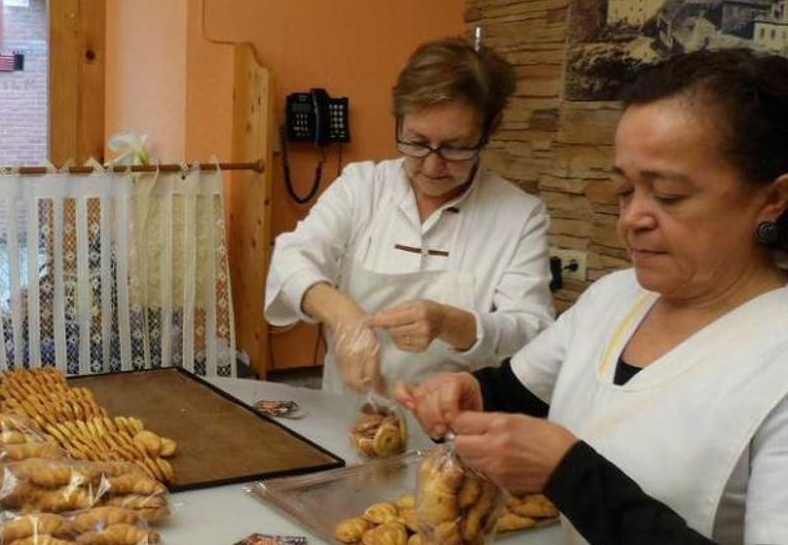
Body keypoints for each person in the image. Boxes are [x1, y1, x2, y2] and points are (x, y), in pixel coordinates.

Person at [396, 48, 788, 544]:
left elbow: (571, 467)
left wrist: (567, 471)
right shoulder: (615, 298)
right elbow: (517, 390)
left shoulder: (775, 356)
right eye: (625, 191)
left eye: (667, 195)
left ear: (772, 198)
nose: (632, 219)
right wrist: (468, 392)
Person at [265, 37, 554, 393]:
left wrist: (451, 323)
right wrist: (344, 317)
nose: (433, 165)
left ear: (488, 132)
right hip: (348, 415)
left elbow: (533, 331)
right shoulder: (363, 186)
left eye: (455, 147)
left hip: (455, 431)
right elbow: (291, 257)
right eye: (416, 142)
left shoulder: (519, 216)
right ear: (399, 120)